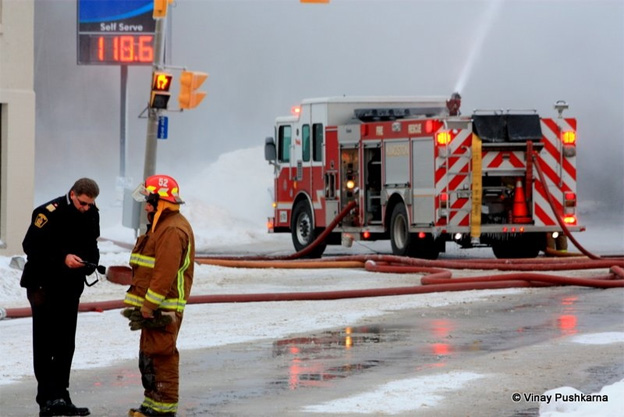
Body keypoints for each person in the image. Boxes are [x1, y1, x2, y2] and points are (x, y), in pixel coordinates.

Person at [21, 178, 100, 417]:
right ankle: (47, 399)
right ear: (73, 194)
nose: (86, 208)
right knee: (45, 344)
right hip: (43, 286)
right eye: (83, 203)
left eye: (90, 204)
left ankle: (62, 396)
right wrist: (63, 257)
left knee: (66, 344)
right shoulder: (48, 212)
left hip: (69, 287)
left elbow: (91, 244)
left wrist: (90, 263)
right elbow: (31, 246)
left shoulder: (91, 213)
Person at [123, 174, 195, 417]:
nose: (146, 206)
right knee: (150, 355)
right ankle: (152, 405)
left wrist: (149, 305)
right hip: (155, 307)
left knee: (162, 356)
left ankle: (163, 410)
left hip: (164, 308)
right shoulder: (162, 225)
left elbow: (164, 274)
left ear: (160, 201)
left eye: (149, 201)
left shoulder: (172, 229)